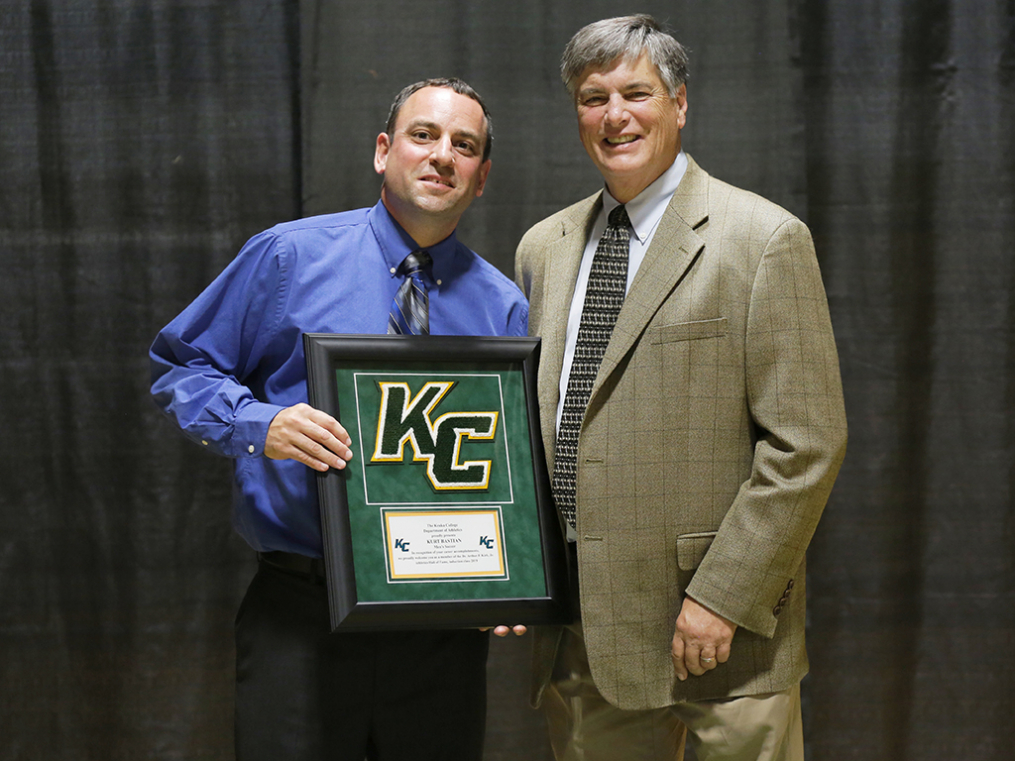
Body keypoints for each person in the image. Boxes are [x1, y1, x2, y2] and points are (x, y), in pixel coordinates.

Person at [150, 77, 527, 761]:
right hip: (301, 613)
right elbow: (181, 365)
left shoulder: (502, 306)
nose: (442, 155)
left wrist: (511, 572)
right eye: (424, 135)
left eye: (463, 145)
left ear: (481, 178)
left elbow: (509, 465)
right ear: (383, 151)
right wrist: (257, 422)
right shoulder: (289, 256)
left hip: (441, 628)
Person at [514, 16, 847, 761]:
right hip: (584, 634)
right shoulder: (543, 247)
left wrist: (721, 596)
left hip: (722, 637)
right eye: (592, 97)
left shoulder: (761, 238)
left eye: (636, 92)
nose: (614, 115)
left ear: (679, 103)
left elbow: (806, 445)